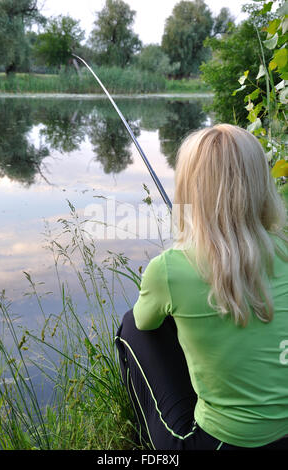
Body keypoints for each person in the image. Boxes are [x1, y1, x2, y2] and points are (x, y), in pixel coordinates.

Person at [115, 124, 288, 450]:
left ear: (189, 189)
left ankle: (144, 438)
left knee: (132, 327)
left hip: (221, 443)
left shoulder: (169, 269)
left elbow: (142, 322)